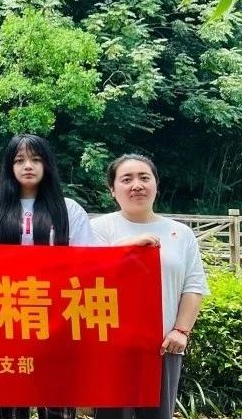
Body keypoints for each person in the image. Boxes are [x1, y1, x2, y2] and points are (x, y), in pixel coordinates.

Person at [0, 134, 93, 419]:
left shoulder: (69, 209)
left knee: (57, 404)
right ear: (9, 166)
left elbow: (88, 263)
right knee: (10, 403)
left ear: (47, 165)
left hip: (57, 322)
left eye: (36, 159)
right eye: (20, 160)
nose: (28, 166)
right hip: (6, 319)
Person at [92, 155, 208, 419]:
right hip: (111, 346)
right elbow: (87, 272)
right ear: (112, 189)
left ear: (156, 185)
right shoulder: (98, 228)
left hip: (163, 346)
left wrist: (181, 330)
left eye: (144, 177)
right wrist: (127, 247)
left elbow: (193, 285)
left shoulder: (181, 233)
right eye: (126, 179)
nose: (137, 185)